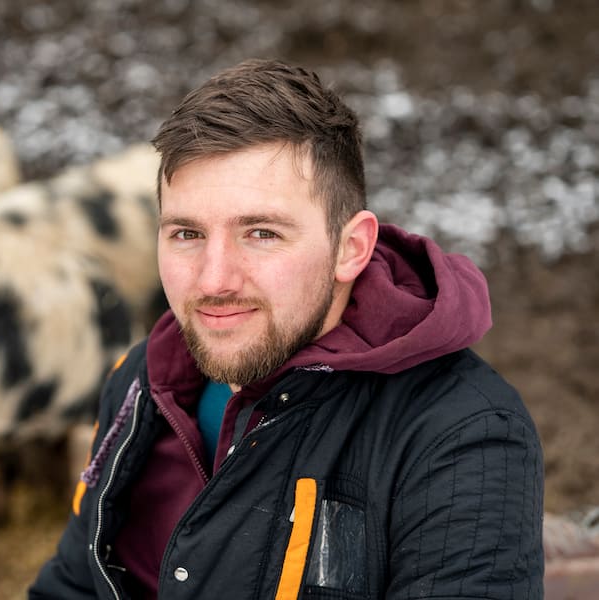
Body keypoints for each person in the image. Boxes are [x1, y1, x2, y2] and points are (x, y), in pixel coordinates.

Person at [29, 58, 544, 599]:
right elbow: (72, 585)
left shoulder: (464, 435)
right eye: (186, 233)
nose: (215, 279)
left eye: (261, 233)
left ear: (351, 248)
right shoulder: (143, 381)